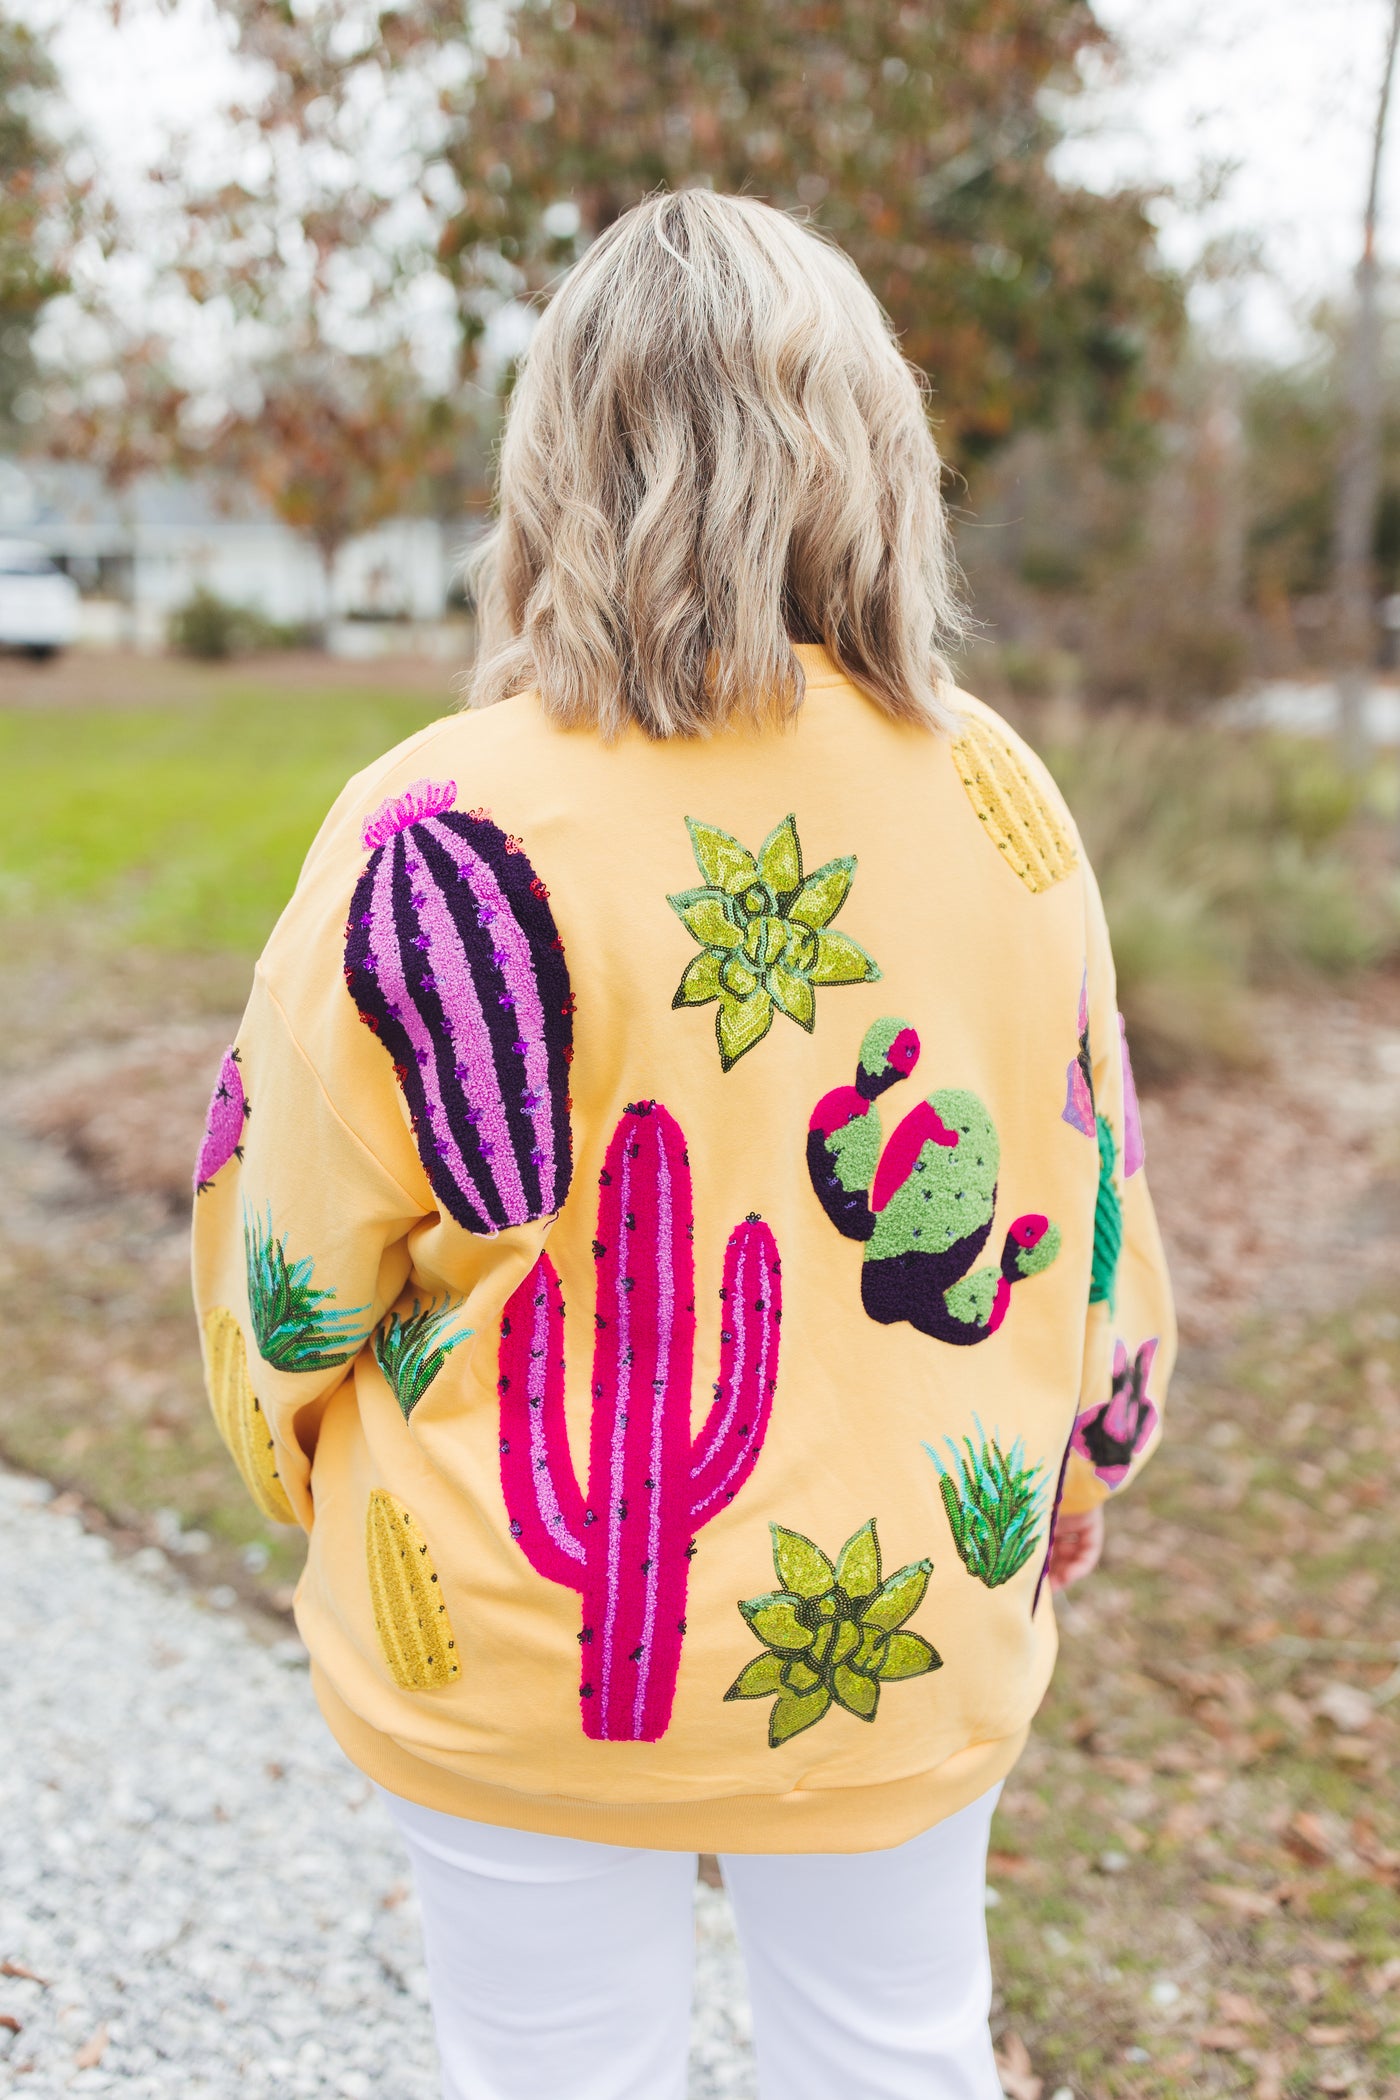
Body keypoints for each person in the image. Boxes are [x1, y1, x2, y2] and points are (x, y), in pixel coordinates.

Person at [191, 190, 1174, 2100]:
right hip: (899, 1634)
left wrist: (292, 1460)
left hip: (512, 1631)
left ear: (556, 465)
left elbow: (290, 1242)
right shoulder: (995, 794)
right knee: (895, 2059)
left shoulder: (433, 817)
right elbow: (1087, 1176)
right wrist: (1089, 1455)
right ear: (877, 456)